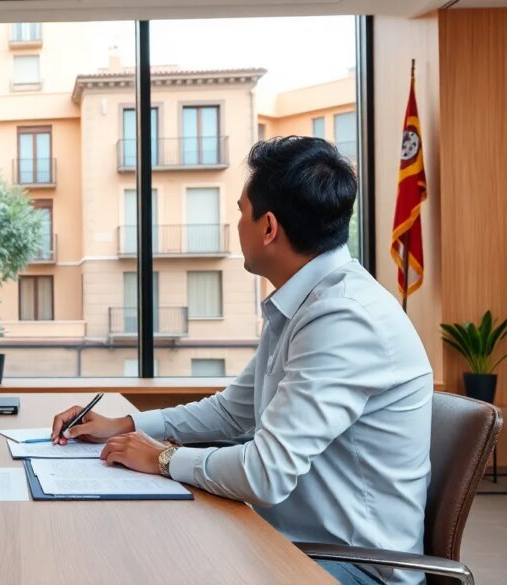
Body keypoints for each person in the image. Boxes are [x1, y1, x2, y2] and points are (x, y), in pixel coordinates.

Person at [51, 137, 431, 585]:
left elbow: (265, 474)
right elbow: (234, 411)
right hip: (289, 543)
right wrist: (128, 427)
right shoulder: (305, 302)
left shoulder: (343, 317)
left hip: (351, 568)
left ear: (268, 228)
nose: (235, 224)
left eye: (239, 211)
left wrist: (164, 459)